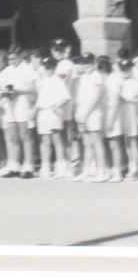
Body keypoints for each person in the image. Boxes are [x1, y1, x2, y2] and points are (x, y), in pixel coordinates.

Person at [0, 46, 37, 178]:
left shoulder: (27, 69)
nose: (11, 61)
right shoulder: (6, 71)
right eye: (9, 59)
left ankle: (28, 166)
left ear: (20, 57)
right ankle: (14, 165)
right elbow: (3, 89)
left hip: (23, 104)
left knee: (25, 135)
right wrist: (6, 94)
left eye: (14, 58)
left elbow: (33, 89)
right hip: (10, 105)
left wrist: (18, 91)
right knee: (13, 136)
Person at [74, 53, 108, 181]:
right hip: (83, 113)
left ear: (94, 63)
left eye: (89, 62)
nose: (86, 65)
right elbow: (80, 98)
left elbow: (95, 98)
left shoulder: (96, 76)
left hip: (93, 113)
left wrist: (84, 114)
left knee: (97, 142)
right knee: (86, 143)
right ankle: (86, 170)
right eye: (84, 63)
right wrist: (79, 114)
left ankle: (101, 172)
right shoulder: (83, 77)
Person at [35, 56, 70, 178]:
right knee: (44, 141)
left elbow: (66, 97)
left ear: (54, 68)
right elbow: (40, 99)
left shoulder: (58, 80)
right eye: (45, 67)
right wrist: (34, 111)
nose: (47, 69)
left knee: (57, 140)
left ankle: (61, 166)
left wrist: (56, 107)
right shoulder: (43, 80)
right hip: (42, 112)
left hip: (53, 112)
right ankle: (46, 166)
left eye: (50, 67)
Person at [49, 38, 78, 177]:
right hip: (64, 102)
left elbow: (61, 84)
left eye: (59, 49)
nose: (56, 52)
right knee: (63, 135)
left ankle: (66, 165)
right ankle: (65, 165)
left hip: (63, 102)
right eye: (56, 49)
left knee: (62, 135)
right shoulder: (65, 64)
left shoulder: (64, 65)